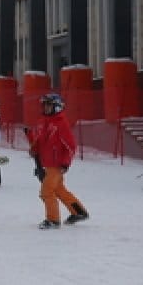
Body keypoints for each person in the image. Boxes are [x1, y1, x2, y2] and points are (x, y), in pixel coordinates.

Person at [28, 93, 89, 229]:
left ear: (57, 107)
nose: (45, 108)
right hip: (48, 163)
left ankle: (53, 219)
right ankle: (79, 212)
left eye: (48, 105)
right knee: (59, 190)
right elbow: (41, 140)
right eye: (44, 105)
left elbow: (70, 146)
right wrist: (34, 148)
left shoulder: (61, 123)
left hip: (57, 165)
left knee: (47, 191)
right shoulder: (46, 121)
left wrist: (65, 163)